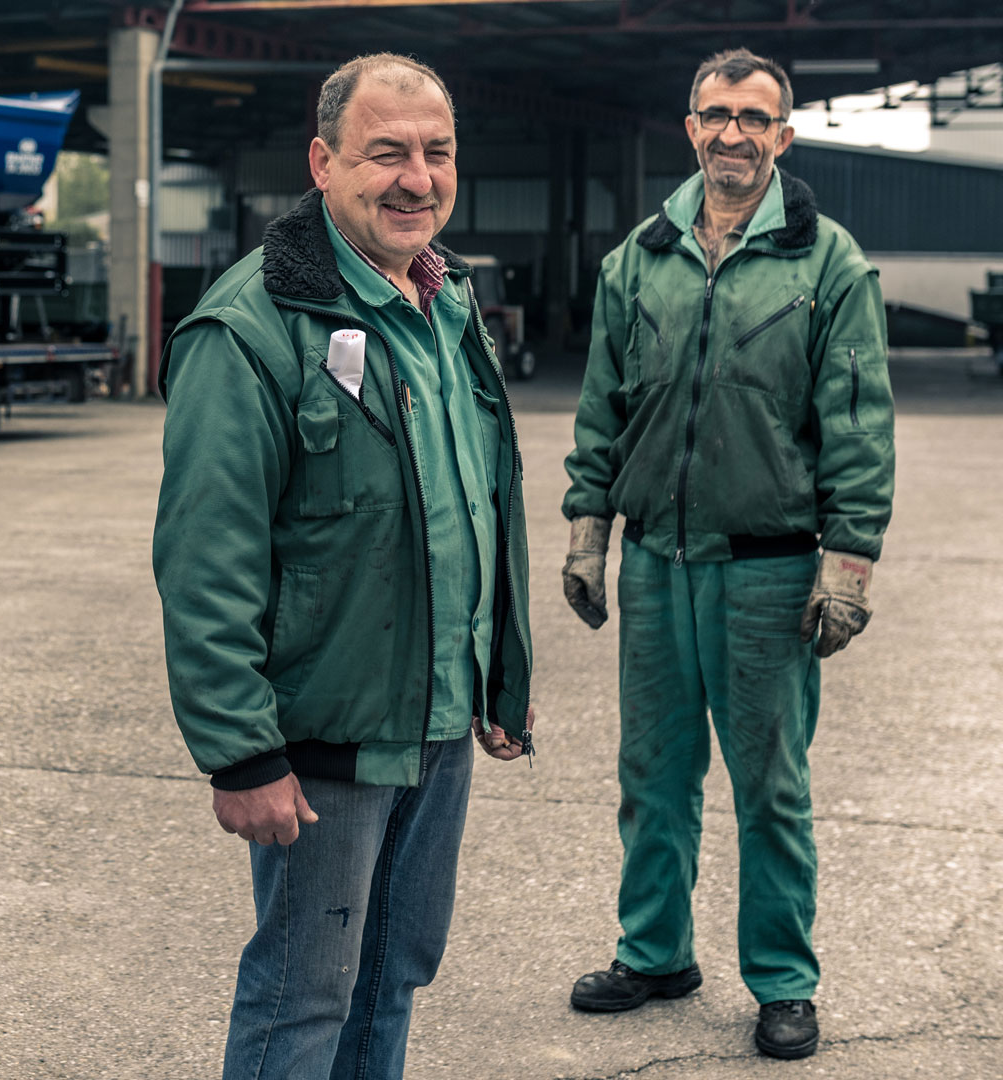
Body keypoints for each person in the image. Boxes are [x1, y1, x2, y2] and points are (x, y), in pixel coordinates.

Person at [153, 53, 535, 1080]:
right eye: (385, 154)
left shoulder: (446, 305)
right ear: (322, 164)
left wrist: (499, 678)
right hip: (325, 738)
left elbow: (477, 503)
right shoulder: (250, 329)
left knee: (393, 977)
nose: (417, 177)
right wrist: (241, 750)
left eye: (435, 152)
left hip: (438, 721)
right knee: (303, 996)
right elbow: (206, 555)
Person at [560, 48, 894, 1061]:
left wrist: (848, 561)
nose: (733, 133)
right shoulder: (639, 259)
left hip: (769, 569)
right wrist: (588, 530)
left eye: (755, 117)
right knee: (652, 776)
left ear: (783, 137)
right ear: (690, 128)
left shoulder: (827, 262)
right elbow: (602, 411)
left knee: (769, 787)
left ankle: (784, 981)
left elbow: (859, 425)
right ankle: (655, 951)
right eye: (716, 114)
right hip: (660, 563)